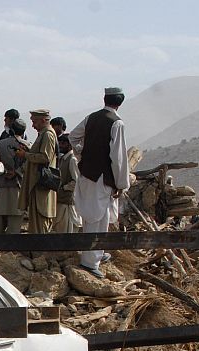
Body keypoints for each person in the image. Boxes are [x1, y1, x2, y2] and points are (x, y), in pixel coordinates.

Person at [70, 87, 129, 278]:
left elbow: (73, 137)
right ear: (119, 103)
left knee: (93, 214)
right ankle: (90, 261)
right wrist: (121, 184)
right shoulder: (117, 123)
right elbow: (118, 157)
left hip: (87, 173)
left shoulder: (91, 117)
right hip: (102, 177)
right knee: (98, 216)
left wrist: (83, 153)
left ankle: (97, 251)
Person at [15, 109, 57, 234]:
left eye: (34, 122)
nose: (32, 125)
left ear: (43, 120)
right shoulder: (43, 134)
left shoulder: (48, 135)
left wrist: (25, 155)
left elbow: (45, 157)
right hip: (36, 186)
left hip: (41, 186)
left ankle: (40, 253)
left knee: (40, 224)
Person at [0, 119, 27, 235]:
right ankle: (11, 249)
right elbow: (30, 165)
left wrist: (4, 171)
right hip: (18, 187)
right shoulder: (27, 146)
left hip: (2, 185)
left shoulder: (0, 144)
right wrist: (17, 172)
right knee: (15, 221)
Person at [54, 134, 82, 233]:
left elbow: (76, 181)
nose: (60, 146)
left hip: (68, 203)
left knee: (68, 231)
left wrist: (64, 188)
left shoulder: (72, 160)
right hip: (61, 200)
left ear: (70, 145)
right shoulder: (62, 159)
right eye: (59, 143)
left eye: (63, 143)